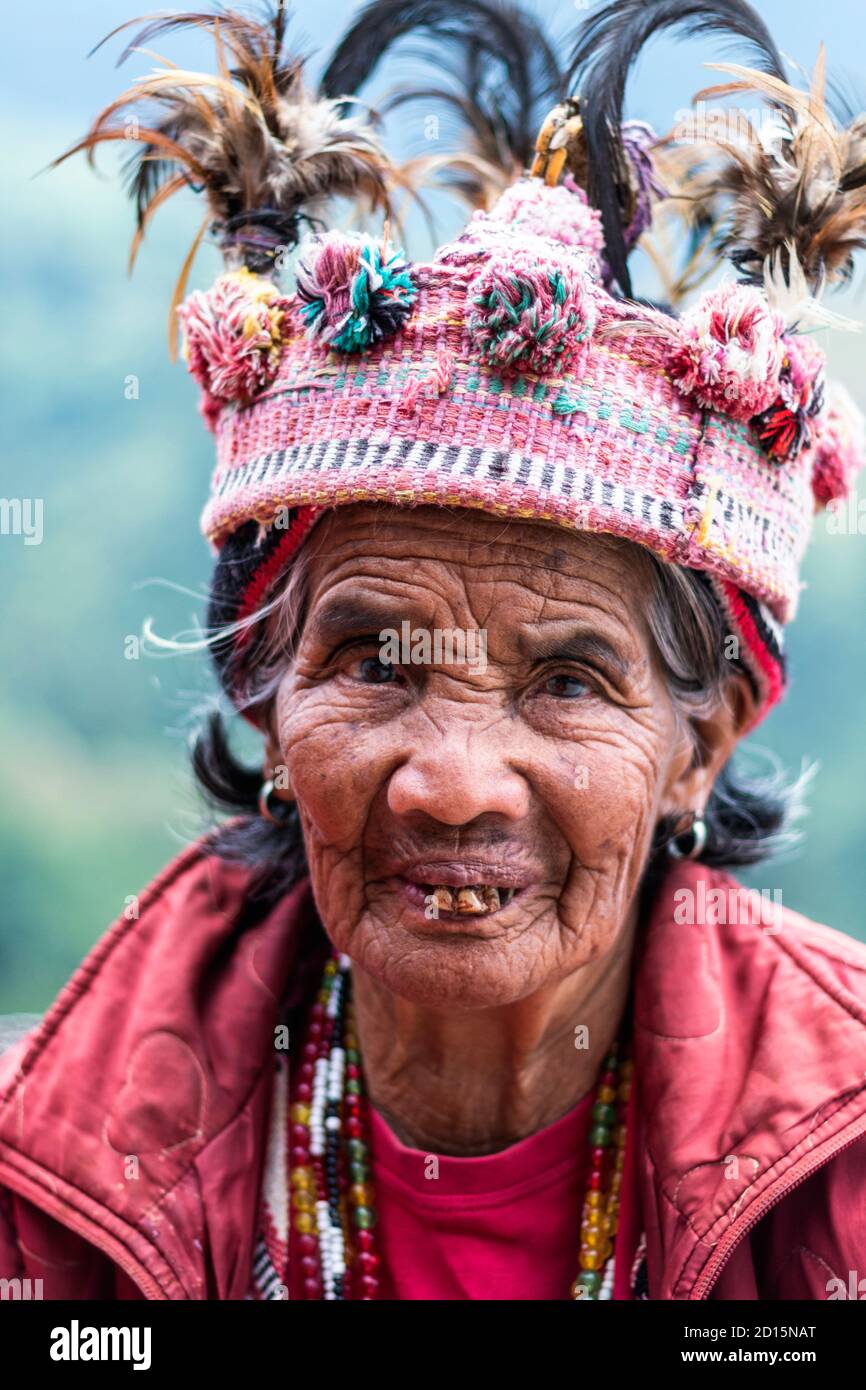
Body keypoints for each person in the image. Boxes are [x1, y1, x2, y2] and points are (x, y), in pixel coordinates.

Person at [2, 0, 866, 1301]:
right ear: (261, 689)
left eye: (566, 680)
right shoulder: (47, 1174)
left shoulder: (840, 1179)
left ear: (706, 736)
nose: (450, 782)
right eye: (372, 665)